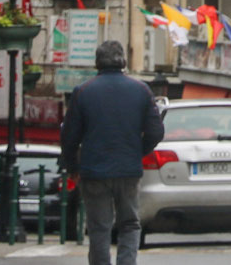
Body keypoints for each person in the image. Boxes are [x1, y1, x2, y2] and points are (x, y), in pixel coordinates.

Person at [60, 40, 163, 265]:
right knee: (129, 224)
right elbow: (156, 132)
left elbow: (69, 137)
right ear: (123, 61)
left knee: (98, 227)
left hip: (94, 171)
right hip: (128, 169)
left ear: (97, 63)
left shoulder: (83, 92)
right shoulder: (141, 90)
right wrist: (137, 151)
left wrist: (72, 167)